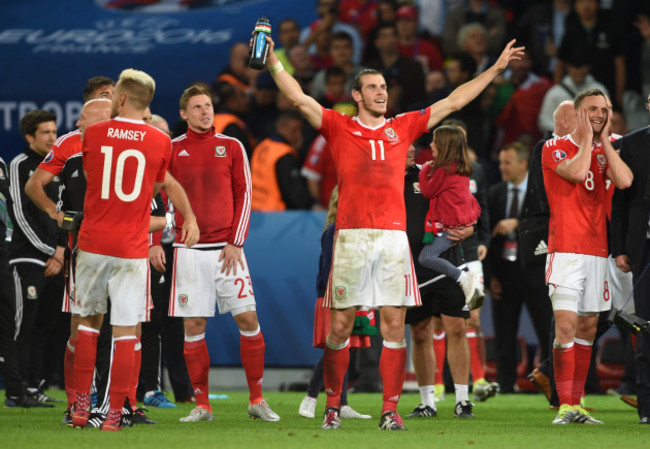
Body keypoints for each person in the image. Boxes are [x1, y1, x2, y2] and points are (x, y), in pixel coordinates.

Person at [261, 29, 524, 430]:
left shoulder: (403, 127)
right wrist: (273, 62)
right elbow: (298, 97)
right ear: (357, 96)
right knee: (340, 326)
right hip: (350, 236)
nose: (381, 92)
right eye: (372, 87)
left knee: (392, 325)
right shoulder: (338, 127)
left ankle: (389, 410)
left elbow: (454, 100)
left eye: (383, 86)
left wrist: (495, 69)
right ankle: (333, 406)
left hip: (392, 239)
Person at [71, 68, 199, 431]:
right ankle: (116, 412)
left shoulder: (92, 135)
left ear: (121, 98)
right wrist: (188, 216)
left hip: (94, 242)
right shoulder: (160, 142)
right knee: (127, 330)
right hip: (131, 247)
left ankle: (82, 407)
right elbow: (162, 183)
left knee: (88, 325)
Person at [167, 85, 280, 423]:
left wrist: (236, 241)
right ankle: (202, 405)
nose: (206, 112)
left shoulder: (231, 146)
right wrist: (163, 234)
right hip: (188, 253)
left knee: (248, 319)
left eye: (208, 106)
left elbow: (245, 194)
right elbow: (157, 195)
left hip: (227, 252)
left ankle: (257, 399)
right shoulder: (171, 149)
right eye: (197, 107)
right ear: (184, 114)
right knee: (194, 325)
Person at [542, 88, 632, 425]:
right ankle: (565, 405)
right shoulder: (554, 147)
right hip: (564, 250)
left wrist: (605, 141)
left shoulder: (609, 148)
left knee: (588, 327)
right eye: (593, 109)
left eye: (605, 109)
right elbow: (578, 173)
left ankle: (577, 406)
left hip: (598, 252)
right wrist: (585, 139)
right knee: (565, 326)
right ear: (579, 112)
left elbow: (624, 180)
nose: (600, 114)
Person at [403, 143, 477, 419]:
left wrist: (470, 227)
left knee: (456, 329)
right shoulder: (382, 180)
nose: (412, 150)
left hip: (444, 262)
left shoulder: (431, 175)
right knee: (419, 333)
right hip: (409, 268)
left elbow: (466, 204)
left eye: (413, 146)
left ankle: (462, 399)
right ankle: (427, 403)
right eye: (405, 146)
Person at [298, 187, 372, 421]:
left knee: (346, 348)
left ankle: (342, 402)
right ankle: (310, 397)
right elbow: (332, 269)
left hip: (354, 294)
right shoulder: (333, 232)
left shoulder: (360, 232)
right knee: (335, 346)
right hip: (334, 296)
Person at [486, 141, 553, 394]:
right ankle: (505, 386)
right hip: (504, 276)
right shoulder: (494, 193)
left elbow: (549, 224)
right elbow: (487, 237)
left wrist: (518, 223)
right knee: (504, 336)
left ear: (524, 163)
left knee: (547, 331)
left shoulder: (541, 192)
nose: (501, 167)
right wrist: (489, 275)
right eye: (501, 162)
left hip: (536, 274)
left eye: (507, 162)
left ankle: (550, 382)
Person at [7, 110, 65, 405]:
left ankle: (33, 386)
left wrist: (63, 249)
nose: (52, 137)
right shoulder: (19, 165)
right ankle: (15, 391)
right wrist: (50, 251)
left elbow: (65, 213)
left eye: (55, 131)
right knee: (24, 326)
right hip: (27, 259)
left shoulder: (60, 167)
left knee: (47, 327)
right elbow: (18, 214)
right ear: (29, 137)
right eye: (45, 132)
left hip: (58, 258)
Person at [610, 92, 650, 424]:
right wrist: (619, 248)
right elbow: (620, 203)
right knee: (645, 328)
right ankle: (647, 406)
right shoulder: (632, 144)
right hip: (644, 249)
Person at [417, 125, 482, 308]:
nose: (430, 145)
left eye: (435, 142)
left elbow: (428, 191)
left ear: (444, 146)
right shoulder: (460, 169)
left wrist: (423, 171)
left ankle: (463, 278)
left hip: (450, 229)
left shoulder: (442, 170)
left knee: (426, 257)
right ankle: (471, 293)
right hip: (460, 224)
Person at [251, 110, 317, 211]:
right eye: (294, 130)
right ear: (281, 128)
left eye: (300, 130)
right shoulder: (284, 154)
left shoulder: (262, 146)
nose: (299, 135)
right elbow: (294, 192)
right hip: (276, 214)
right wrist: (311, 206)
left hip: (255, 209)